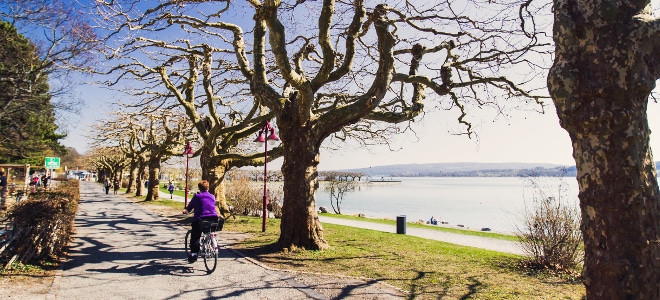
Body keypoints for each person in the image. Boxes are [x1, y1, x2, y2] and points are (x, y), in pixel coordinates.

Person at [182, 180, 221, 263]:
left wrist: (186, 211)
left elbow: (189, 208)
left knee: (195, 236)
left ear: (199, 188)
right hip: (213, 219)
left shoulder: (197, 196)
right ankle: (210, 244)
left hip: (200, 219)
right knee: (209, 232)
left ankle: (193, 255)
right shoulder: (212, 196)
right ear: (208, 187)